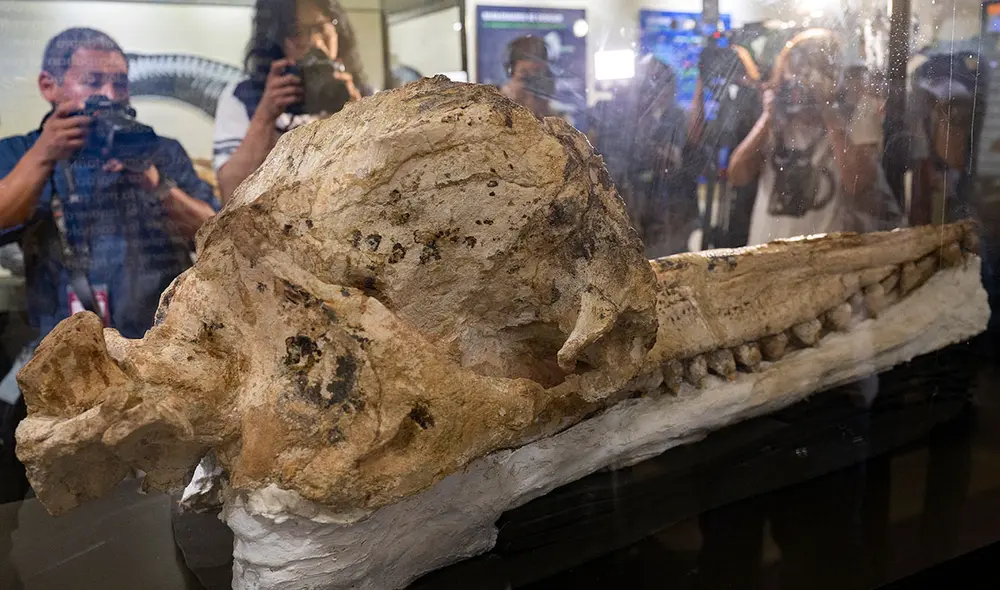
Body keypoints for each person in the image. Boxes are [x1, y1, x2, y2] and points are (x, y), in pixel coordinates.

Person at [0, 27, 218, 501]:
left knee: (167, 504)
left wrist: (158, 186)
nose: (109, 95)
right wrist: (45, 153)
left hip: (160, 366)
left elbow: (216, 231)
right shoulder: (19, 151)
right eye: (92, 80)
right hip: (64, 375)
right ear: (48, 86)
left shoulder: (159, 151)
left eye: (119, 83)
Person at [728, 29, 901, 245]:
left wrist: (827, 110)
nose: (802, 84)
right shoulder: (776, 125)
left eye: (815, 70)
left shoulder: (851, 120)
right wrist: (767, 118)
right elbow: (737, 176)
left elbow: (857, 184)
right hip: (765, 255)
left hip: (823, 259)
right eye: (796, 72)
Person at [213, 0, 368, 204]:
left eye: (321, 28)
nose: (315, 43)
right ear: (276, 39)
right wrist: (265, 115)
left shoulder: (365, 94)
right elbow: (231, 193)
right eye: (296, 32)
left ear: (338, 30)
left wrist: (360, 116)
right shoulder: (243, 97)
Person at [501, 35, 555, 120]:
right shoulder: (492, 112)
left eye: (537, 78)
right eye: (524, 76)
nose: (531, 88)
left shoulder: (559, 122)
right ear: (511, 72)